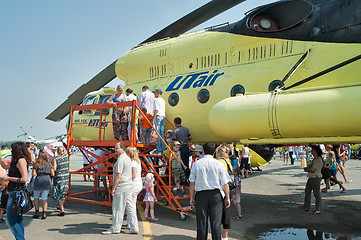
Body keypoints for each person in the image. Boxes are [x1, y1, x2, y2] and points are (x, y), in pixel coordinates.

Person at [189, 142, 231, 240]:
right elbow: (225, 184)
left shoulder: (196, 164)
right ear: (214, 152)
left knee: (201, 223)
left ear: (203, 151)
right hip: (215, 195)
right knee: (215, 223)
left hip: (201, 195)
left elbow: (192, 183)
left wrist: (191, 197)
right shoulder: (219, 164)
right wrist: (227, 197)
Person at [0, 142, 31, 240]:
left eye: (12, 149)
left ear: (17, 150)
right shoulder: (16, 161)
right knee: (18, 218)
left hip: (16, 193)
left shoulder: (21, 161)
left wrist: (8, 178)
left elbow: (24, 179)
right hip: (15, 192)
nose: (11, 150)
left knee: (10, 220)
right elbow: (5, 166)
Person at [102, 142, 132, 234]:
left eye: (116, 148)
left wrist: (114, 188)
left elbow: (118, 175)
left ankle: (115, 228)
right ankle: (133, 226)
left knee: (117, 208)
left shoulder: (120, 160)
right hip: (128, 185)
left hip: (121, 185)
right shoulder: (127, 158)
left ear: (122, 148)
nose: (115, 150)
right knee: (130, 207)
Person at [299, 145, 323, 214]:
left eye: (312, 150)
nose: (311, 151)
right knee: (307, 191)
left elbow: (313, 169)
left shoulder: (318, 159)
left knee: (316, 193)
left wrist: (306, 169)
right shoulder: (315, 158)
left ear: (315, 151)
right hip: (312, 176)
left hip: (315, 177)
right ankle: (306, 206)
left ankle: (317, 209)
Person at [215, 145, 233, 240]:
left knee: (217, 214)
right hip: (228, 188)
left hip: (221, 189)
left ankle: (219, 235)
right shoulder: (228, 161)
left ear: (218, 153)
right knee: (226, 213)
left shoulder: (219, 162)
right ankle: (225, 235)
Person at [32, 150, 54, 219]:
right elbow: (53, 174)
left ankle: (37, 212)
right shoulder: (49, 164)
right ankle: (44, 214)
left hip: (39, 179)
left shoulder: (37, 164)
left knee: (36, 197)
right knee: (44, 198)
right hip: (47, 179)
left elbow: (33, 174)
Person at [125, 146, 142, 234]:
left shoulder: (132, 162)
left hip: (133, 185)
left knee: (130, 205)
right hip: (137, 184)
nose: (126, 154)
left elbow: (133, 175)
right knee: (132, 204)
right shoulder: (137, 161)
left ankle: (132, 224)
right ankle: (129, 223)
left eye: (127, 152)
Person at [53, 146, 69, 216]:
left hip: (59, 177)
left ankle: (62, 210)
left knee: (59, 193)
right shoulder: (66, 156)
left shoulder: (56, 158)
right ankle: (60, 206)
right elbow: (65, 153)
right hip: (66, 177)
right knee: (64, 192)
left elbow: (54, 168)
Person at [152, 88, 166, 154]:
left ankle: (159, 149)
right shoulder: (163, 100)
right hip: (163, 115)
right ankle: (163, 148)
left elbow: (156, 110)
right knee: (161, 133)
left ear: (158, 93)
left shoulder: (156, 100)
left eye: (155, 93)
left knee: (157, 133)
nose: (154, 94)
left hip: (158, 116)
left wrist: (153, 119)